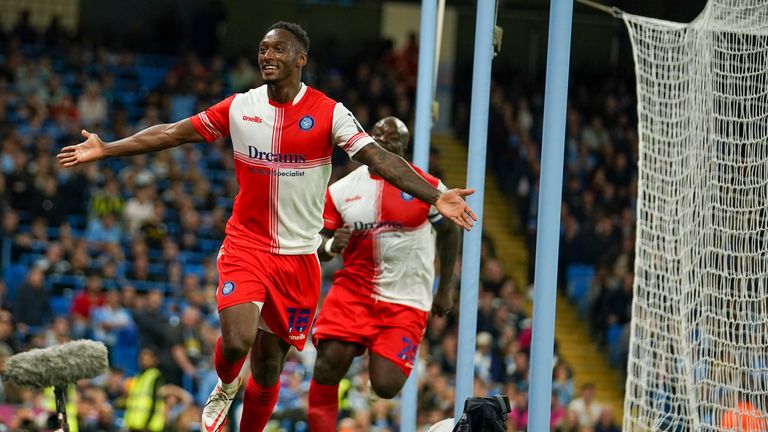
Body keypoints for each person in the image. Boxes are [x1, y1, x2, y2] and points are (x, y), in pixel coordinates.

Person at [56, 21, 476, 432]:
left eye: (278, 49)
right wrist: (107, 148)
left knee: (269, 367)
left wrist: (433, 195)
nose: (267, 55)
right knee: (237, 341)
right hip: (247, 245)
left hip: (298, 259)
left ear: (301, 59)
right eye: (263, 49)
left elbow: (380, 159)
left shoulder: (330, 113)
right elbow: (172, 133)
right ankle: (223, 384)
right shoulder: (241, 107)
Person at [306, 116, 460, 431]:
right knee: (326, 366)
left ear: (403, 149)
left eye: (394, 141)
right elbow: (313, 239)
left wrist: (445, 289)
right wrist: (331, 246)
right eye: (380, 138)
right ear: (367, 142)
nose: (386, 145)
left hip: (406, 300)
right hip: (354, 292)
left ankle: (376, 363)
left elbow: (450, 231)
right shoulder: (342, 190)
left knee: (387, 384)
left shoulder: (426, 186)